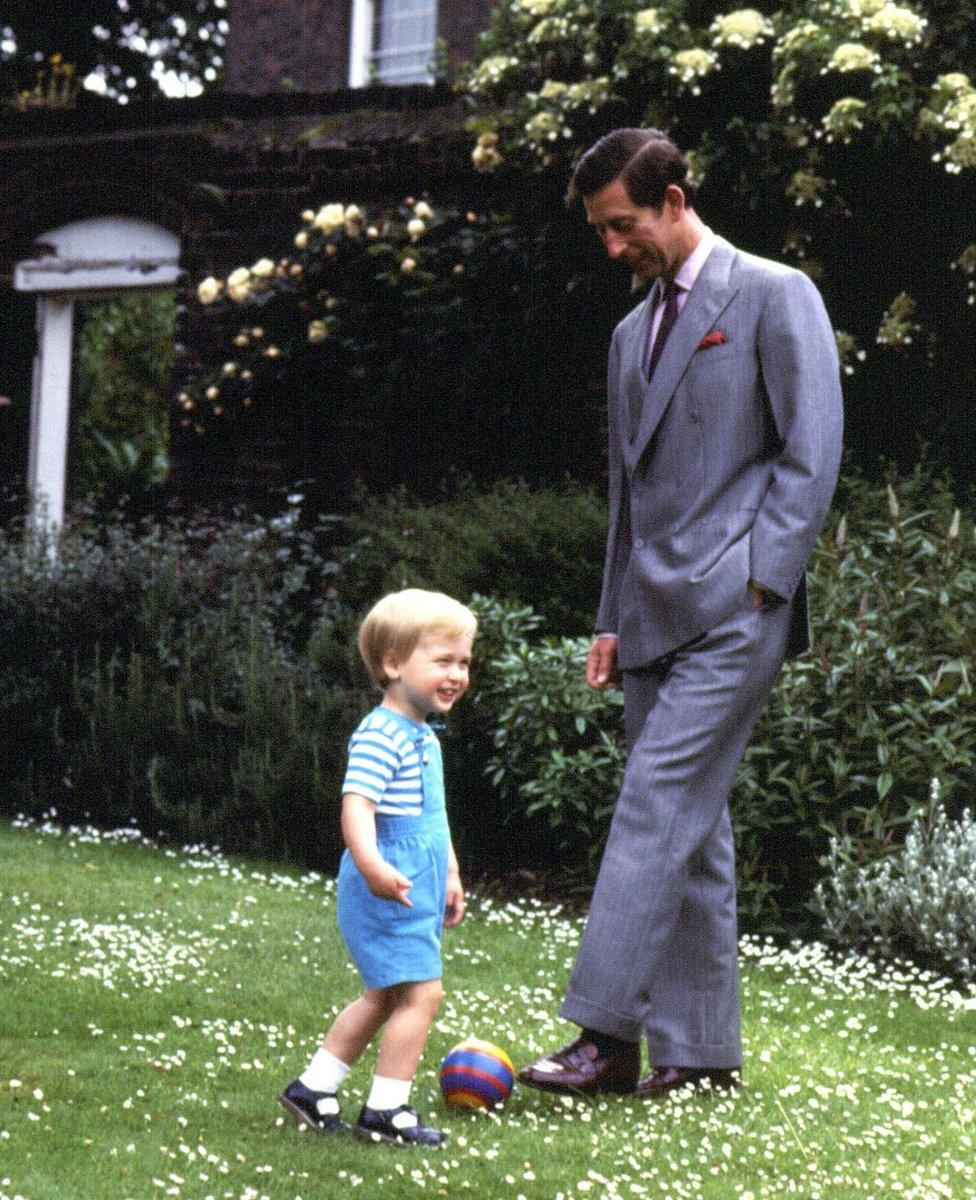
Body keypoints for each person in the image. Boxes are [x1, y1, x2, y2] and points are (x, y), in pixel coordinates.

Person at [519, 129, 843, 1099]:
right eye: (601, 232)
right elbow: (627, 494)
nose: (613, 247)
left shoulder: (774, 293)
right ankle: (698, 1057)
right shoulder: (629, 335)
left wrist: (764, 580)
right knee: (692, 831)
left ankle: (605, 1035)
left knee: (654, 804)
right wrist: (610, 618)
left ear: (673, 198)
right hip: (649, 618)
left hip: (736, 610)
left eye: (623, 226)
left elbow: (811, 450)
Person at [279, 588, 475, 1145]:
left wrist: (452, 875)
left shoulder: (423, 737)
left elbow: (433, 820)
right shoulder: (381, 735)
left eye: (463, 661)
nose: (457, 673)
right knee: (422, 994)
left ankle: (314, 1088)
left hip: (415, 881)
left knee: (384, 995)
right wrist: (372, 869)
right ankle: (387, 1107)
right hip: (386, 884)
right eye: (443, 660)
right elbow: (357, 807)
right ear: (393, 664)